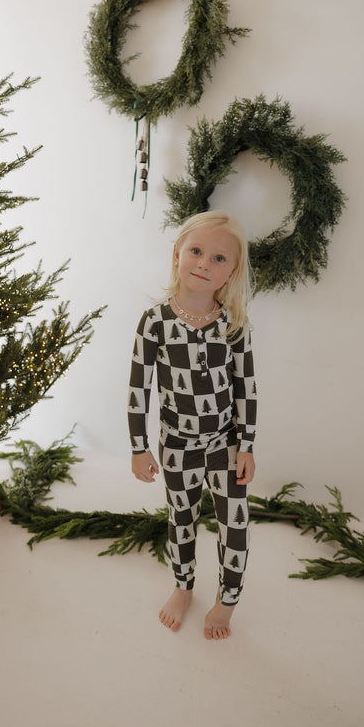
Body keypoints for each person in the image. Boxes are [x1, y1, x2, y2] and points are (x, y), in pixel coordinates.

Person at [128, 210, 257, 640]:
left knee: (233, 523)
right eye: (197, 251)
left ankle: (228, 601)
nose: (204, 263)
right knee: (181, 518)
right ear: (177, 255)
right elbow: (138, 388)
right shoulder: (155, 323)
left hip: (225, 441)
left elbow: (247, 389)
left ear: (231, 272)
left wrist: (248, 445)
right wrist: (139, 446)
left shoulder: (234, 326)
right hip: (177, 443)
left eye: (219, 258)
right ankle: (183, 587)